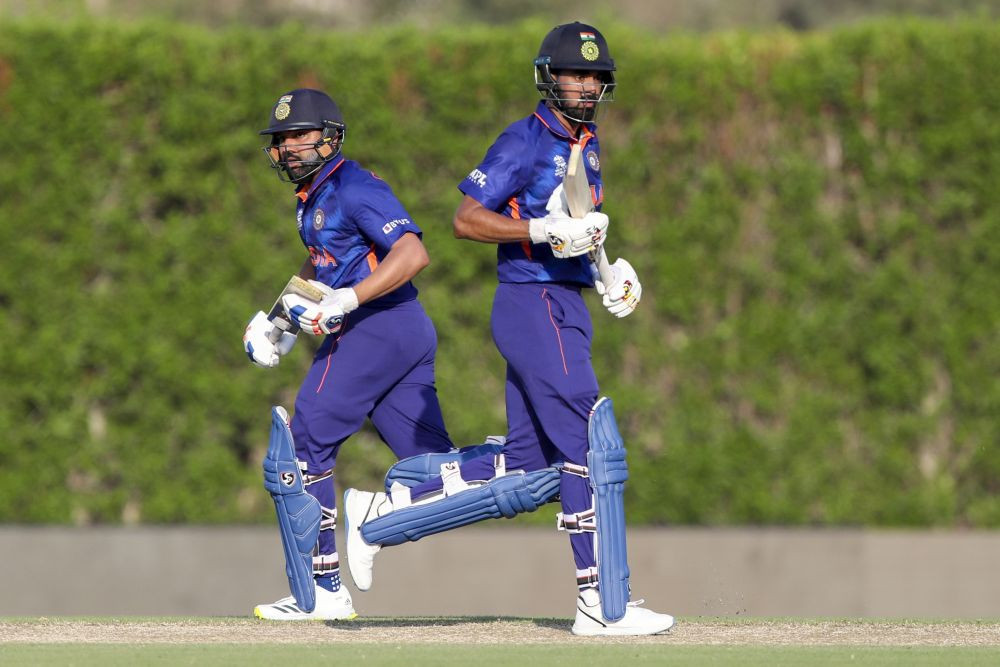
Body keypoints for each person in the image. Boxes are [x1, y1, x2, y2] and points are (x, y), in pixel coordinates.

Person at [342, 23, 674, 636]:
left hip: (563, 301)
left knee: (529, 464)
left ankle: (383, 514)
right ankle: (600, 604)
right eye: (577, 74)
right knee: (586, 442)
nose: (588, 85)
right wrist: (542, 234)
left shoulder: (590, 144)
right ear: (550, 77)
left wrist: (606, 271)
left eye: (597, 76)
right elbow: (466, 219)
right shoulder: (523, 141)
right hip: (533, 304)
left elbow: (577, 223)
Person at [242, 88, 454, 620]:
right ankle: (507, 463)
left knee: (307, 441)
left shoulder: (352, 185)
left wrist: (350, 298)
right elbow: (326, 264)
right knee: (436, 473)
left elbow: (412, 252)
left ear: (330, 137)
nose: (289, 147)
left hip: (375, 327)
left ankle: (324, 590)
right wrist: (280, 316)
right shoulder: (313, 196)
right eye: (282, 139)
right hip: (401, 328)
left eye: (300, 135)